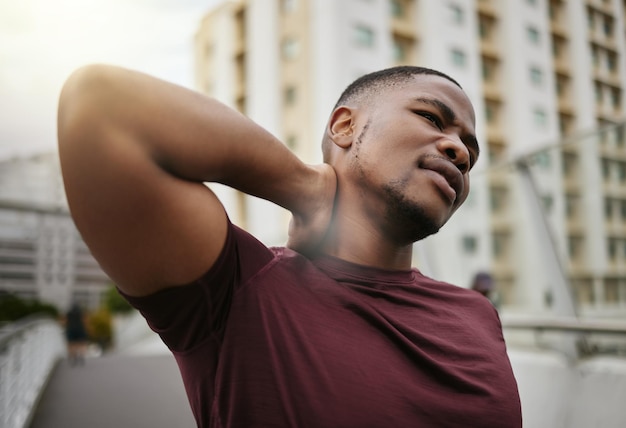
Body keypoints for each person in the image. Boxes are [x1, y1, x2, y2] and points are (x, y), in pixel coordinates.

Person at [57, 64, 522, 427]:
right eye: (431, 117)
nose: (460, 152)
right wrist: (303, 188)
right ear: (344, 127)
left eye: (470, 150)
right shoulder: (239, 290)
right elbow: (99, 104)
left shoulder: (477, 315)